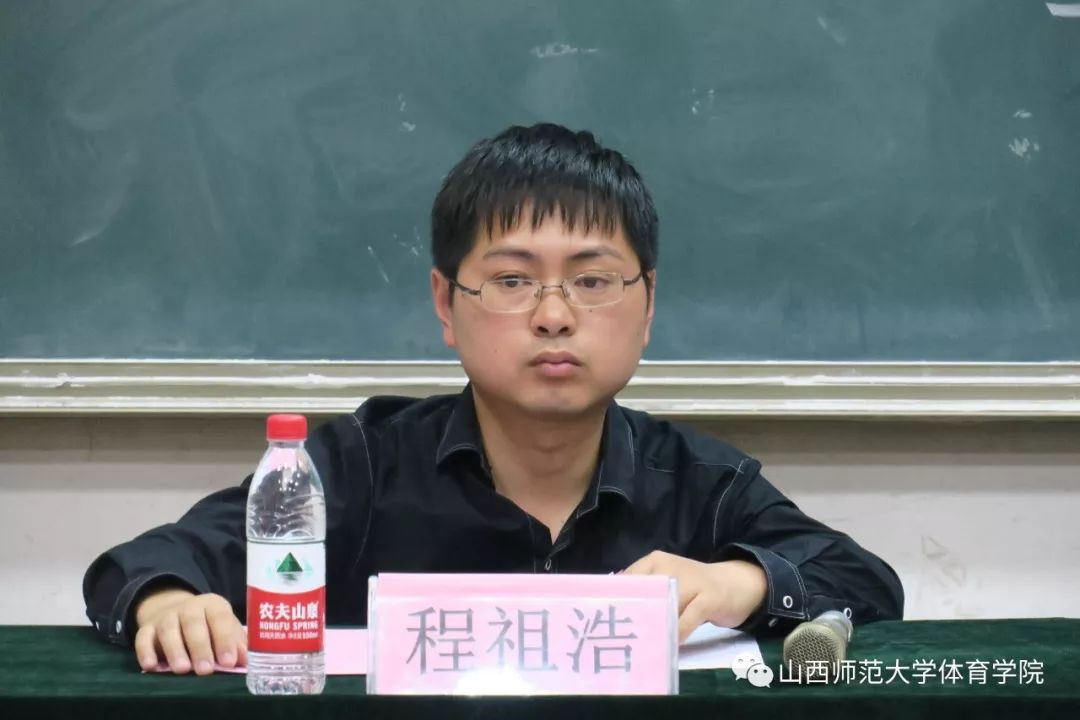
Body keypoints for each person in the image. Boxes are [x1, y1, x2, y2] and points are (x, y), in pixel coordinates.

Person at [83, 123, 904, 676]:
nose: (554, 315)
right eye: (512, 281)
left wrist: (742, 584)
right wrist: (169, 601)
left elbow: (864, 581)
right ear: (446, 304)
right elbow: (147, 563)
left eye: (592, 281)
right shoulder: (364, 464)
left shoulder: (700, 482)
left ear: (648, 305)